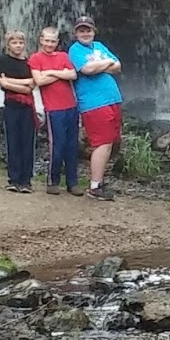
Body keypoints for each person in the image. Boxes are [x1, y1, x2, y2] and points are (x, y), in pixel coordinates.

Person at [66, 14, 121, 202]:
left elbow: (119, 66)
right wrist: (107, 63)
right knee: (102, 142)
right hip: (94, 103)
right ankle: (95, 186)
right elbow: (87, 70)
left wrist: (99, 66)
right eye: (81, 30)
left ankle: (99, 182)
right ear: (75, 33)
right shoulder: (75, 50)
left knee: (110, 142)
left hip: (112, 99)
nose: (85, 33)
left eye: (88, 29)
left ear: (94, 31)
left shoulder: (99, 47)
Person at [28, 25, 80, 195]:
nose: (50, 44)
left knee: (72, 145)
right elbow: (39, 81)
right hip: (53, 109)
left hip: (71, 107)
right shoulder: (35, 58)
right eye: (47, 40)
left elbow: (73, 75)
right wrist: (59, 72)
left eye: (53, 41)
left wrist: (49, 72)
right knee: (57, 145)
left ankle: (73, 183)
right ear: (41, 40)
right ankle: (53, 181)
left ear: (58, 42)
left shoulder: (64, 55)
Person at [0, 30, 36, 193]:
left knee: (27, 142)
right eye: (14, 43)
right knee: (12, 141)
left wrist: (9, 83)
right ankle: (14, 179)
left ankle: (26, 180)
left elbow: (31, 86)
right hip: (11, 106)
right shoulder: (2, 61)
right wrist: (22, 85)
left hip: (27, 107)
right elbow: (1, 84)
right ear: (8, 44)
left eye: (20, 42)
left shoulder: (29, 62)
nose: (18, 45)